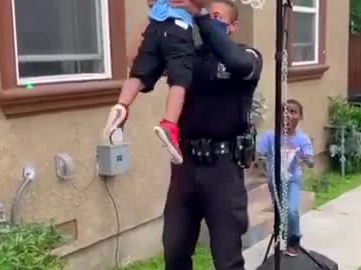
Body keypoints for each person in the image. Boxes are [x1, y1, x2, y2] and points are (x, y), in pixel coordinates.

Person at [117, 0, 263, 269]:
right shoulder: (187, 56)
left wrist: (200, 14)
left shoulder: (247, 56)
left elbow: (235, 61)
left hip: (223, 170)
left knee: (227, 258)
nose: (207, 20)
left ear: (233, 26)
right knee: (174, 252)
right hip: (185, 168)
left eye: (217, 16)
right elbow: (134, 60)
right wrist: (156, 16)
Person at [103, 0, 209, 165]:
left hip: (153, 28)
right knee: (180, 79)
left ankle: (121, 107)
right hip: (178, 27)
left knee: (138, 75)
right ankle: (169, 125)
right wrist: (198, 7)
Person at [257, 99, 314, 257]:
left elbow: (310, 161)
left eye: (293, 112)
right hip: (274, 182)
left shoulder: (302, 139)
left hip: (292, 180)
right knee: (281, 212)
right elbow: (258, 156)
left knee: (292, 210)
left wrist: (307, 159)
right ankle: (280, 236)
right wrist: (263, 168)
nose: (287, 115)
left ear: (300, 117)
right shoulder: (270, 136)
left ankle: (294, 240)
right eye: (284, 111)